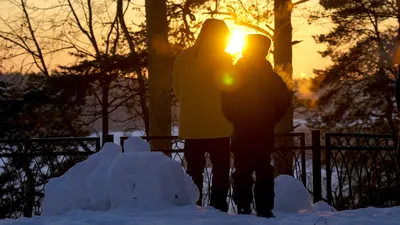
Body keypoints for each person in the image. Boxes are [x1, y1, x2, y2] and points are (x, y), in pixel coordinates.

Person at [220, 34, 291, 218]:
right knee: (263, 167)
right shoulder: (272, 78)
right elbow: (283, 102)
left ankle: (243, 206)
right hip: (263, 130)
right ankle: (264, 208)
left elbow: (225, 101)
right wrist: (270, 119)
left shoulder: (235, 74)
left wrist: (235, 118)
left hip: (242, 129)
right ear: (264, 52)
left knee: (242, 167)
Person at [172, 18, 233, 212]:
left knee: (194, 169)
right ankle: (218, 206)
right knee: (221, 169)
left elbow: (177, 91)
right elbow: (229, 86)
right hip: (219, 124)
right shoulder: (223, 58)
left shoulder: (183, 58)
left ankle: (193, 205)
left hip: (193, 125)